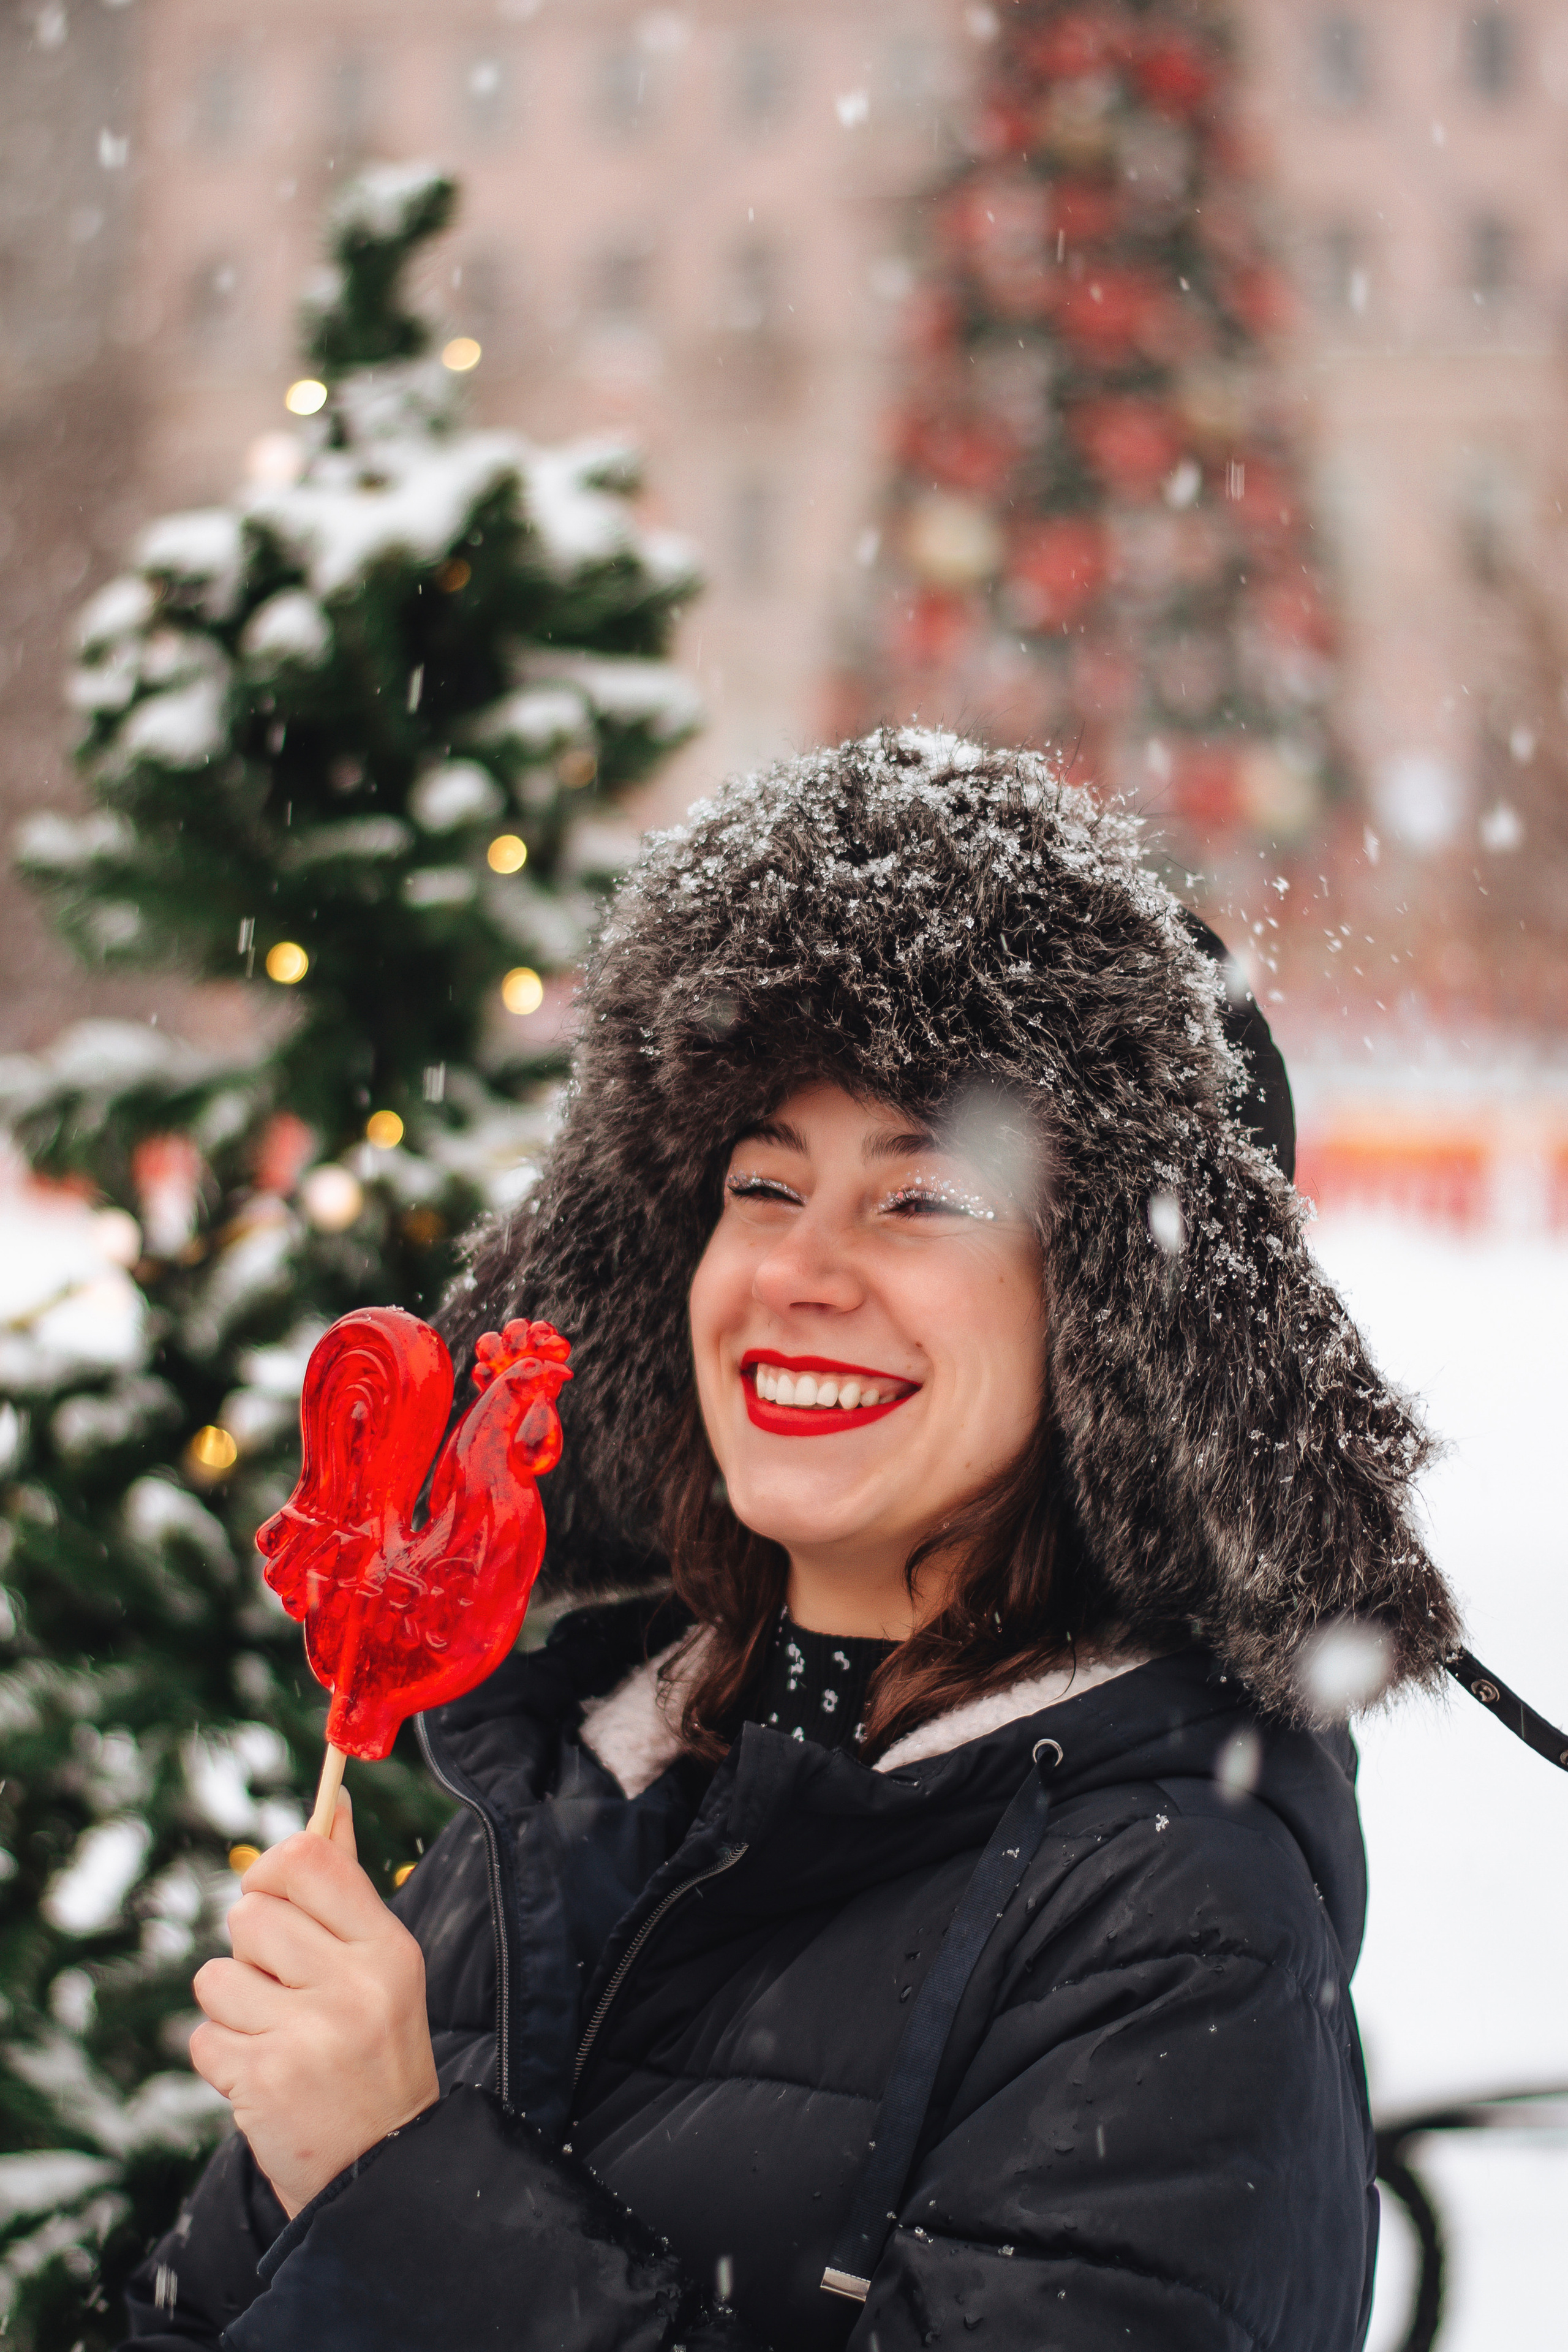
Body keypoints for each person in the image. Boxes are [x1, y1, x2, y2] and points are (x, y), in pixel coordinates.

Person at [123, 733, 1460, 2351]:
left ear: (1113, 1324)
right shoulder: (545, 1802)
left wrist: (401, 2183)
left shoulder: (1182, 1925)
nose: (799, 1272)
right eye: (763, 1186)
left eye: (920, 1199)